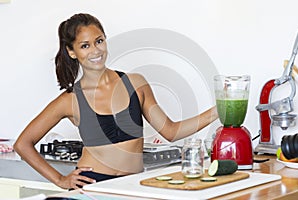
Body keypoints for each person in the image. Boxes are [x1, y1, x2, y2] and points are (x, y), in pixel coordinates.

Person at [13, 13, 218, 190]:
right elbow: (23, 144)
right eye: (85, 46)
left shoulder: (135, 83)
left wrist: (219, 110)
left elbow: (171, 131)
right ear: (72, 52)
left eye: (99, 41)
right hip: (93, 185)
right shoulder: (70, 100)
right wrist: (60, 180)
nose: (95, 50)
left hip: (133, 185)